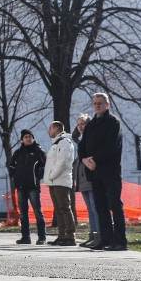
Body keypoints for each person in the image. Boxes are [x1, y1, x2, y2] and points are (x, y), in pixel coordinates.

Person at [79, 92, 127, 251]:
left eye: (100, 103)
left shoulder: (113, 122)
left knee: (114, 205)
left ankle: (120, 241)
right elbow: (82, 145)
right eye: (95, 103)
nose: (97, 105)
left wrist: (95, 160)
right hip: (93, 172)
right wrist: (84, 159)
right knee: (100, 207)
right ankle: (105, 239)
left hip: (110, 171)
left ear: (107, 105)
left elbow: (112, 146)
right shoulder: (91, 124)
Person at [7, 130, 47, 245]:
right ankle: (25, 237)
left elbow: (44, 166)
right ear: (22, 140)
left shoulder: (38, 151)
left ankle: (42, 237)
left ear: (33, 138)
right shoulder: (18, 152)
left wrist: (38, 176)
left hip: (33, 186)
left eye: (30, 137)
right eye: (25, 137)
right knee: (23, 213)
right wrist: (15, 177)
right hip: (20, 187)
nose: (28, 139)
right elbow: (11, 166)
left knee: (37, 212)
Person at [44, 121, 76, 246]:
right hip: (54, 181)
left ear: (57, 128)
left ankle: (70, 236)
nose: (48, 131)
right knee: (58, 209)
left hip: (61, 181)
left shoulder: (64, 142)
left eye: (50, 128)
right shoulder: (56, 143)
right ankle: (62, 235)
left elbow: (62, 162)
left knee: (64, 208)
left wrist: (52, 176)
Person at [72, 114, 99, 247]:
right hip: (82, 179)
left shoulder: (93, 138)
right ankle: (93, 235)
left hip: (91, 178)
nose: (81, 126)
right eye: (79, 124)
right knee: (90, 209)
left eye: (83, 123)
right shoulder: (79, 140)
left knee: (95, 208)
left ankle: (99, 235)